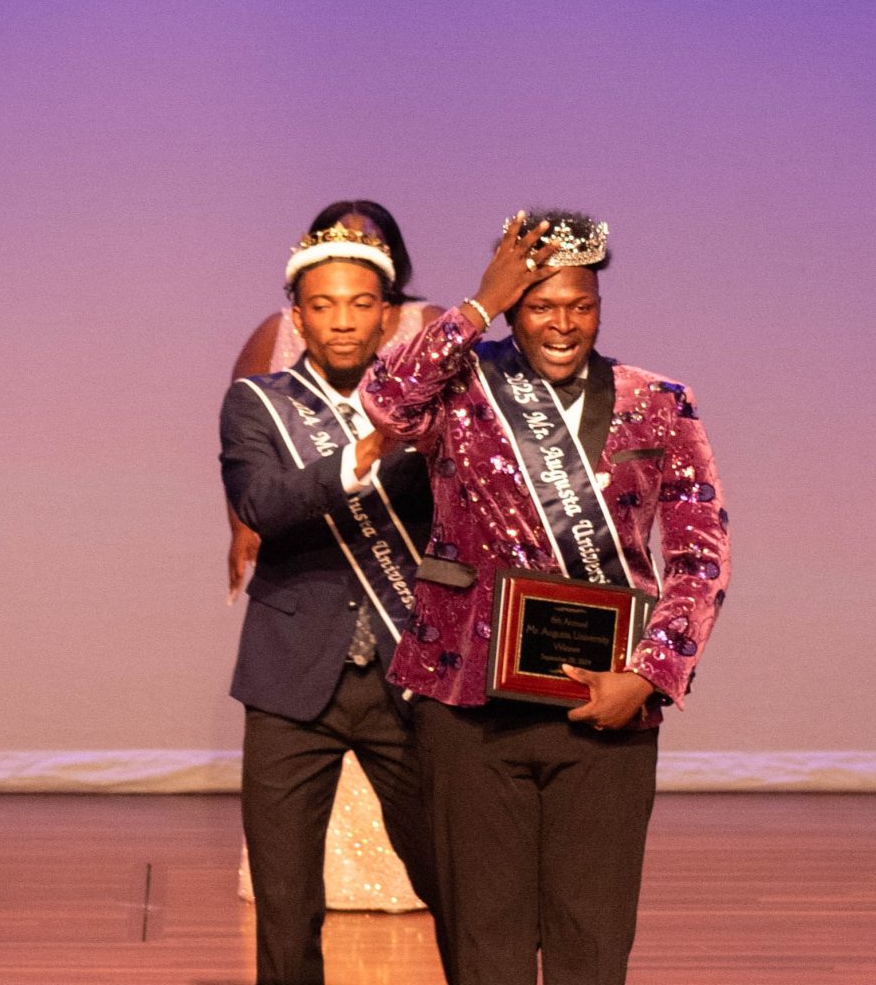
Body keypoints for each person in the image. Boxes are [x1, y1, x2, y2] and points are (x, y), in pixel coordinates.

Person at [361, 209, 731, 985]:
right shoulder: (463, 386)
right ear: (513, 304)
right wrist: (475, 305)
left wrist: (651, 674)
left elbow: (700, 554)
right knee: (484, 944)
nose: (562, 323)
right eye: (538, 303)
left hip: (608, 705)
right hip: (466, 703)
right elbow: (386, 401)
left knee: (590, 944)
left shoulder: (656, 400)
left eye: (580, 304)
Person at [219, 219, 446, 985]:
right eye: (323, 306)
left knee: (453, 882)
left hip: (408, 675)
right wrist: (365, 453)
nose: (342, 320)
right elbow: (262, 502)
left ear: (388, 314)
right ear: (297, 316)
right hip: (288, 684)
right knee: (285, 904)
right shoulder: (258, 404)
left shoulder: (429, 410)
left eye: (359, 304)